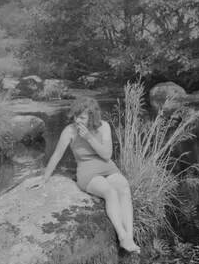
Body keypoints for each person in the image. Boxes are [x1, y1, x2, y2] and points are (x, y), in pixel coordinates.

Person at [28, 97, 140, 253]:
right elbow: (56, 155)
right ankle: (122, 237)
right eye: (75, 116)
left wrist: (89, 137)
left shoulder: (104, 127)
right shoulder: (69, 131)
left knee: (124, 188)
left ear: (92, 117)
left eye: (82, 117)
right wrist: (44, 178)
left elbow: (107, 155)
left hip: (108, 167)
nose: (77, 120)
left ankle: (130, 236)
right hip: (88, 172)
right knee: (110, 192)